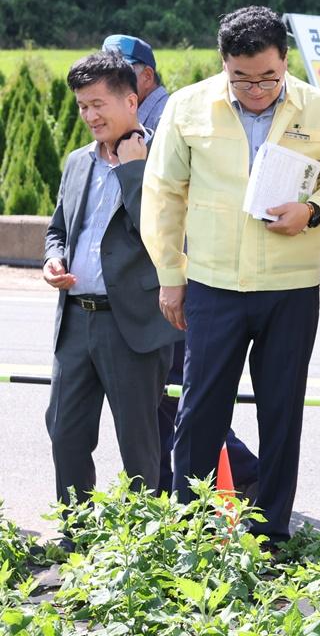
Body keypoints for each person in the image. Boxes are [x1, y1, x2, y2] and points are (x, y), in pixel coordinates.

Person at [142, 5, 320, 544]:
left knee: (282, 414)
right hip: (214, 287)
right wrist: (172, 272)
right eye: (241, 78)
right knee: (199, 411)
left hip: (291, 288)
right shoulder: (190, 107)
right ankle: (191, 531)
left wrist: (311, 211)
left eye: (268, 77)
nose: (255, 89)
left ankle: (272, 535)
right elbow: (163, 193)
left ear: (285, 60)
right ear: (224, 64)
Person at [101, 34, 260, 498]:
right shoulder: (123, 126)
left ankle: (239, 475)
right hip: (163, 280)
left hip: (178, 278)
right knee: (170, 395)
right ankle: (194, 481)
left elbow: (160, 209)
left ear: (144, 77)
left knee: (181, 394)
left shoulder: (164, 122)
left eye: (119, 70)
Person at [43, 51, 181, 510]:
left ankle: (142, 541)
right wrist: (54, 259)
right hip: (75, 323)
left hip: (134, 325)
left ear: (130, 100)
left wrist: (133, 169)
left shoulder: (165, 156)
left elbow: (162, 234)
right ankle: (75, 530)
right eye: (83, 105)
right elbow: (58, 229)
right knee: (65, 432)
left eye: (99, 103)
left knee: (138, 442)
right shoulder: (77, 161)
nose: (90, 115)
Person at [102, 35, 169, 131]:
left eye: (119, 74)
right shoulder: (132, 115)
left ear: (147, 76)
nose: (108, 84)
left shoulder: (163, 119)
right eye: (104, 75)